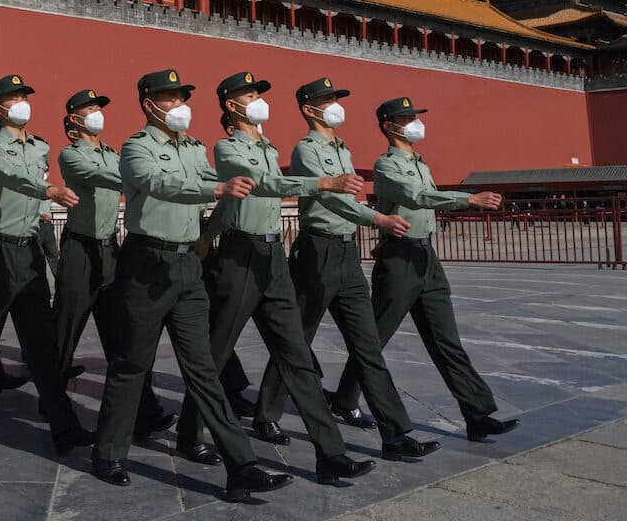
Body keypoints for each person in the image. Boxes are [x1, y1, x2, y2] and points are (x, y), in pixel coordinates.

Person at [91, 68, 291, 501]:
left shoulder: (196, 148)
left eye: (182, 96)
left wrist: (214, 210)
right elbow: (157, 183)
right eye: (169, 97)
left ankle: (242, 466)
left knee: (204, 369)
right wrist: (216, 188)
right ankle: (108, 454)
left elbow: (205, 185)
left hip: (187, 269)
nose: (179, 104)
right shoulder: (135, 148)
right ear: (148, 104)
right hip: (146, 265)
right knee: (131, 365)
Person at [178, 71, 374, 485]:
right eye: (249, 95)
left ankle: (331, 454)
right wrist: (322, 182)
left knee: (297, 356)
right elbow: (264, 185)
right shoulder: (227, 147)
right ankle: (189, 433)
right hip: (239, 257)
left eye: (258, 94)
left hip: (273, 257)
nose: (257, 100)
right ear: (232, 105)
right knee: (215, 353)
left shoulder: (267, 146)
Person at [251, 78, 440, 461]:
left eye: (336, 98)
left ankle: (396, 433)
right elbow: (332, 201)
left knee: (368, 345)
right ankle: (267, 412)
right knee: (297, 338)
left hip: (347, 253)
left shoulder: (342, 150)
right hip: (317, 251)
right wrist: (378, 219)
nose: (335, 105)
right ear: (309, 109)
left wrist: (367, 220)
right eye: (326, 100)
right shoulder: (306, 151)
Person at [331, 97, 520, 443]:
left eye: (415, 116)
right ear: (389, 126)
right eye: (407, 118)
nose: (415, 123)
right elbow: (418, 197)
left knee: (447, 340)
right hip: (399, 262)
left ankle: (477, 414)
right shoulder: (386, 166)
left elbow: (422, 204)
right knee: (374, 339)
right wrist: (469, 200)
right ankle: (345, 398)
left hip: (426, 259)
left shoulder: (420, 162)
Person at [0, 74, 92, 453]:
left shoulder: (39, 146)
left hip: (28, 251)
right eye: (14, 97)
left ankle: (64, 426)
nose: (22, 103)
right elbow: (3, 175)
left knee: (42, 345)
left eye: (24, 96)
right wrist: (46, 191)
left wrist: (46, 205)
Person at [53, 89, 175, 441]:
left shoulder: (113, 153)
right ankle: (54, 403)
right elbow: (109, 179)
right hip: (80, 250)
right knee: (66, 331)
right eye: (89, 109)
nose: (96, 114)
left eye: (98, 108)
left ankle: (144, 410)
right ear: (74, 119)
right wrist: (146, 176)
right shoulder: (71, 155)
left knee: (123, 336)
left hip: (110, 251)